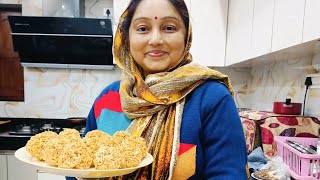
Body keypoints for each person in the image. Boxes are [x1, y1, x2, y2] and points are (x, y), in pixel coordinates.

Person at [67, 0, 247, 179]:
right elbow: (78, 165)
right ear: (126, 36)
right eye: (143, 28)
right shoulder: (108, 98)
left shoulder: (212, 99)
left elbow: (228, 174)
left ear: (186, 36)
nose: (155, 40)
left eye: (169, 28)